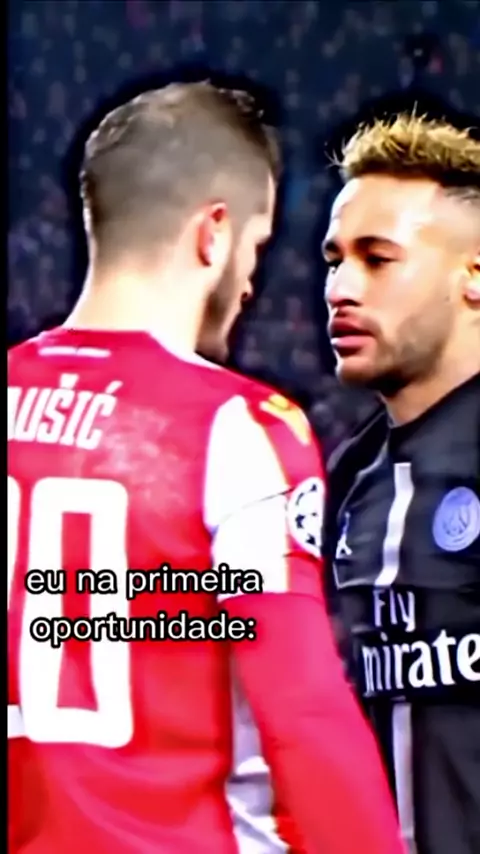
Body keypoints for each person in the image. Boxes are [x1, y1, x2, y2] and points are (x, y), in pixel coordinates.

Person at [7, 81, 403, 854]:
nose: (253, 281)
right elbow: (305, 719)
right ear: (214, 234)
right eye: (257, 246)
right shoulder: (236, 428)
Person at [322, 112, 480, 854]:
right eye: (334, 260)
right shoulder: (349, 478)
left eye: (378, 259)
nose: (341, 288)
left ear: (473, 277)